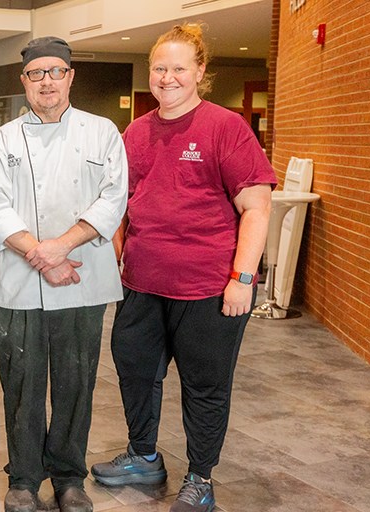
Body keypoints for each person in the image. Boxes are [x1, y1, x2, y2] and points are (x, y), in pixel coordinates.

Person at [90, 23, 276, 512]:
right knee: (134, 371)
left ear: (199, 72)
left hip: (209, 289)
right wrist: (114, 259)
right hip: (143, 284)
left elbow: (256, 208)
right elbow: (120, 206)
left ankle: (201, 477)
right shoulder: (136, 131)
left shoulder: (225, 127)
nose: (167, 77)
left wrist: (242, 279)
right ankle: (144, 455)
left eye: (178, 68)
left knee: (205, 386)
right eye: (159, 68)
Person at [0, 36, 127, 512]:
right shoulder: (4, 138)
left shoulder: (103, 132)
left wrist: (60, 247)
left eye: (54, 72)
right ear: (23, 81)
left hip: (80, 277)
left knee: (76, 381)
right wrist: (44, 256)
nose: (46, 81)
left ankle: (69, 478)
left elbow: (113, 199)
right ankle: (23, 478)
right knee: (21, 383)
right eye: (35, 73)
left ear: (70, 77)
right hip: (23, 283)